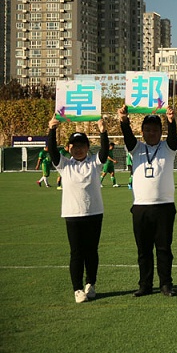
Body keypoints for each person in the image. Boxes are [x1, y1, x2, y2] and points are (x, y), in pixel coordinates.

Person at [118, 105, 177, 297]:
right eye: (148, 130)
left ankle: (166, 284)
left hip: (164, 206)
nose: (151, 133)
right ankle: (145, 285)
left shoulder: (168, 148)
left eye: (155, 130)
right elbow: (127, 137)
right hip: (141, 207)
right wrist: (124, 120)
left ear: (161, 132)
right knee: (143, 250)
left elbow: (172, 136)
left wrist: (171, 121)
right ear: (142, 132)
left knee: (164, 249)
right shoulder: (136, 148)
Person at [47, 116, 109, 303]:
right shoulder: (64, 165)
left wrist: (103, 131)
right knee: (76, 253)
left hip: (94, 213)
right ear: (69, 148)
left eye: (82, 145)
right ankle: (77, 289)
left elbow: (104, 152)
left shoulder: (94, 163)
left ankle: (91, 284)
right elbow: (52, 152)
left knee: (92, 251)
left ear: (88, 147)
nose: (79, 148)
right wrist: (52, 130)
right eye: (74, 145)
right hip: (73, 214)